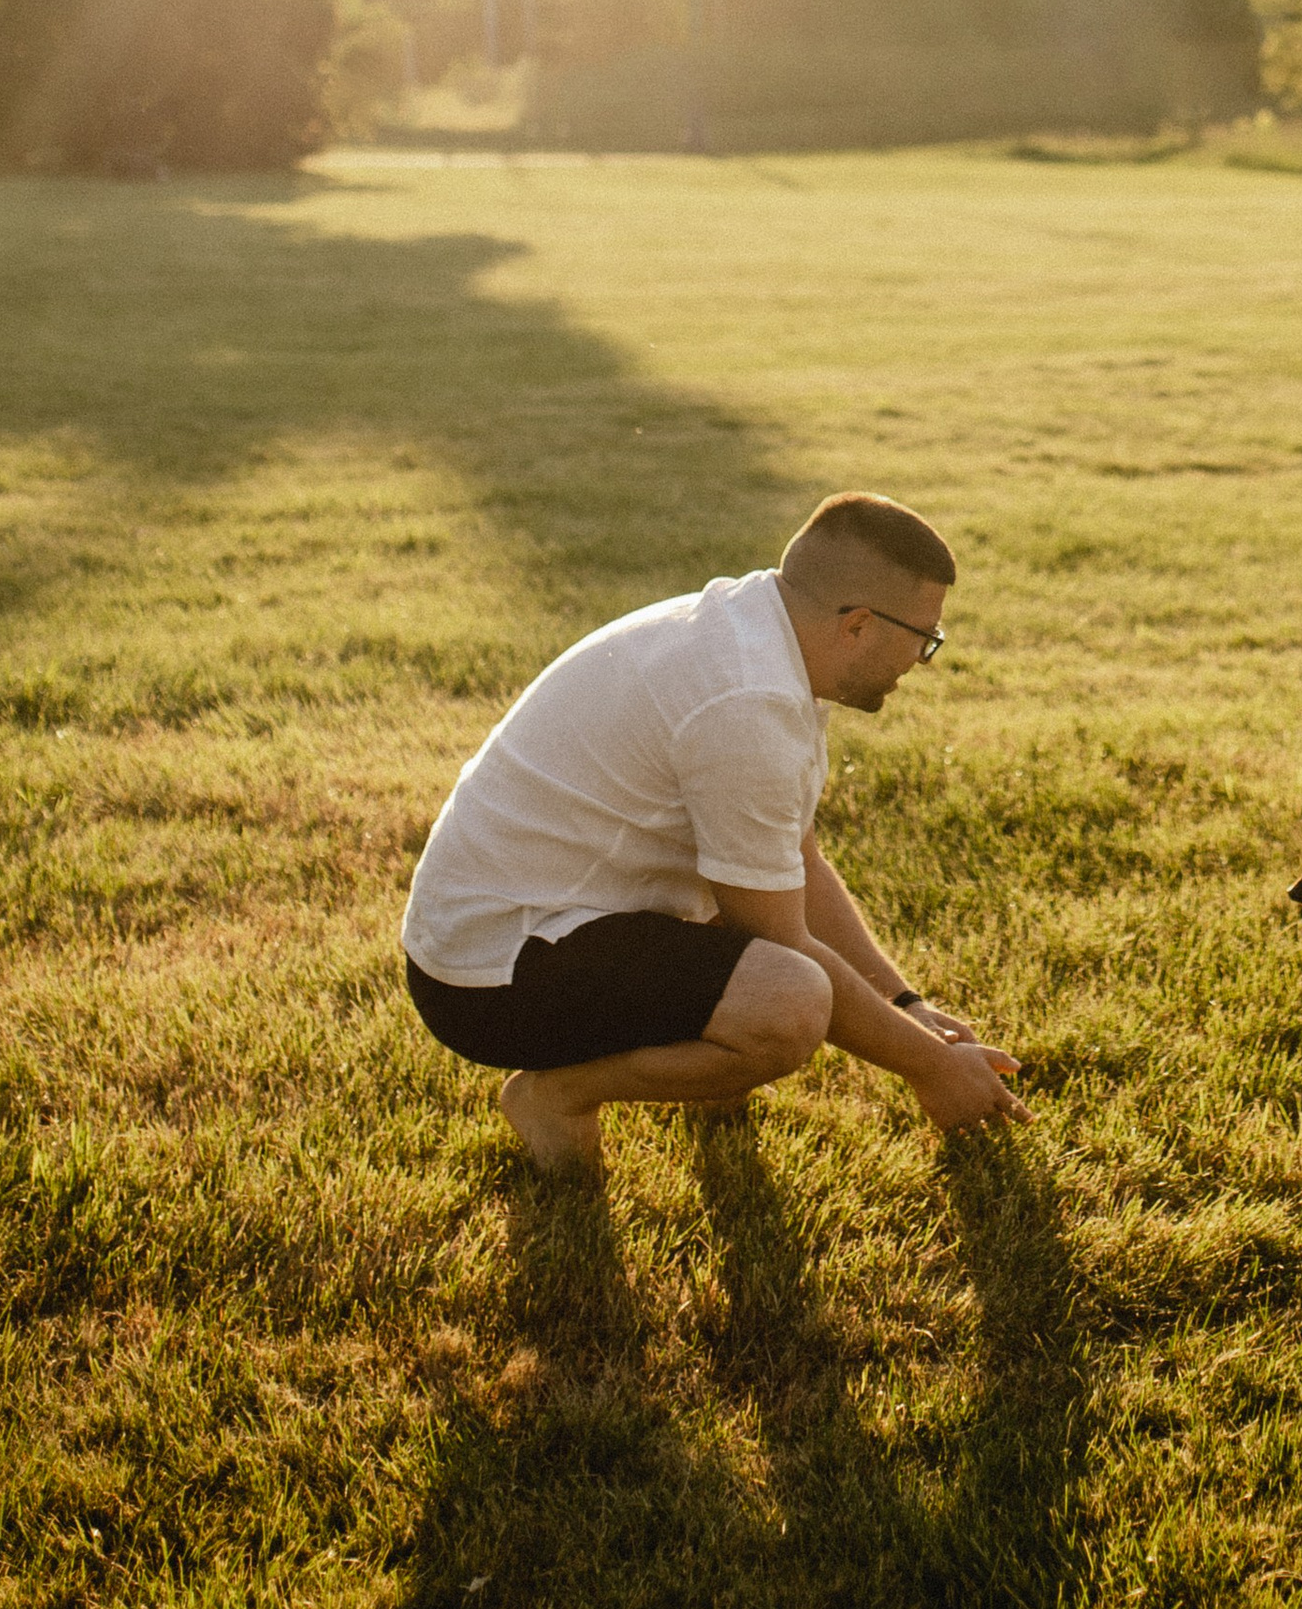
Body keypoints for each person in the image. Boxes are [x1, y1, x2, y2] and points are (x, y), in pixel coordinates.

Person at [399, 491, 1024, 1168]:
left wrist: (907, 1004)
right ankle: (556, 1095)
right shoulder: (746, 700)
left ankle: (707, 1073)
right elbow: (780, 937)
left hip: (531, 926)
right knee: (788, 1002)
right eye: (924, 640)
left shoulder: (759, 633)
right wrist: (931, 1068)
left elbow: (796, 858)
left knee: (767, 963)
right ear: (859, 625)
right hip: (490, 976)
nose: (922, 661)